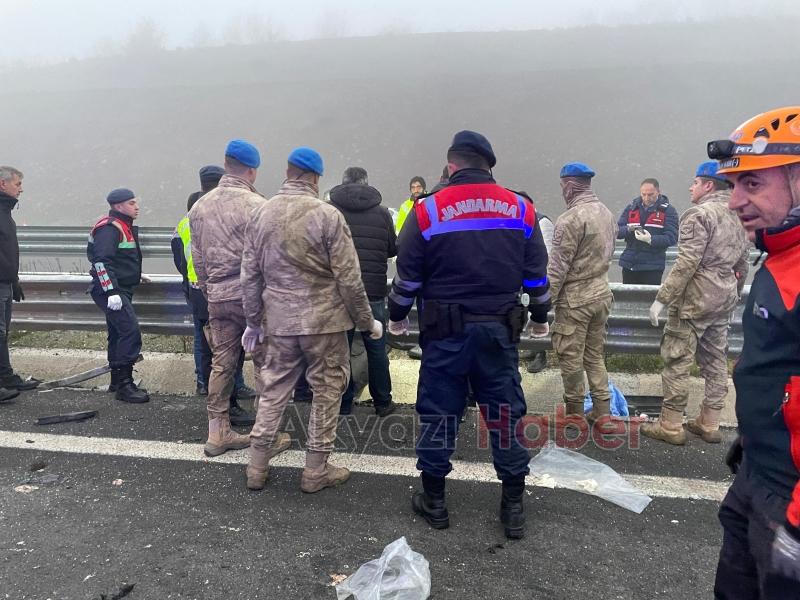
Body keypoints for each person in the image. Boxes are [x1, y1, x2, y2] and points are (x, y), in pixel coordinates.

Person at [388, 131, 551, 539]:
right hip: (499, 332)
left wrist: (395, 317)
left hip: (445, 335)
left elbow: (407, 276)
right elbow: (536, 276)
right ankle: (513, 507)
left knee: (439, 413)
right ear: (489, 166)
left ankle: (436, 502)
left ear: (451, 165)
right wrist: (541, 315)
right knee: (504, 415)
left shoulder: (426, 210)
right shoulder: (521, 209)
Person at [240, 147, 381, 493]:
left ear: (289, 172)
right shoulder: (327, 216)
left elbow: (249, 276)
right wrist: (367, 322)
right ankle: (315, 471)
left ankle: (257, 467)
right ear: (315, 177)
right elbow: (349, 278)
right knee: (326, 393)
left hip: (279, 322)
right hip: (325, 324)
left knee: (273, 391)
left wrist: (254, 321)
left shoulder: (262, 213)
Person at [705, 107, 800, 597]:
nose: (735, 201)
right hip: (760, 472)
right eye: (733, 185)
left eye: (753, 185)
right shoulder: (779, 255)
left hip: (789, 497)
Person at [189, 139, 289, 458]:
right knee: (264, 363)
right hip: (251, 300)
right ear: (251, 171)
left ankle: (217, 433)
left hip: (216, 298)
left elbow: (199, 260)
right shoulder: (258, 206)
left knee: (222, 362)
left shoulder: (199, 207)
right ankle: (265, 436)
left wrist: (209, 291)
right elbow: (271, 259)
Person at [641, 161, 749, 446]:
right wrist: (734, 292)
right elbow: (742, 263)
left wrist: (662, 299)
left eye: (695, 182)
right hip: (724, 297)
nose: (691, 187)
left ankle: (671, 424)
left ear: (709, 185)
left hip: (695, 299)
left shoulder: (698, 214)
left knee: (677, 358)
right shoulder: (739, 214)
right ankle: (709, 422)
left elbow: (687, 262)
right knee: (715, 358)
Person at [171, 164, 255, 426]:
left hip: (206, 291)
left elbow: (186, 259)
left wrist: (204, 286)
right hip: (226, 292)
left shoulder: (194, 213)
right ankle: (240, 412)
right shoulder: (235, 208)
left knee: (216, 351)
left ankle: (218, 415)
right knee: (228, 352)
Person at [547, 163, 617, 430]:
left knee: (570, 356)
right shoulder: (606, 214)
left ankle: (574, 414)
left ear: (569, 186)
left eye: (563, 186)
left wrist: (544, 306)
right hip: (601, 295)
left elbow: (557, 269)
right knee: (594, 355)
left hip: (575, 301)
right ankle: (603, 413)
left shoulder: (569, 220)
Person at [328, 167, 397, 417]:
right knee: (377, 348)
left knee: (341, 350)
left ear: (343, 183)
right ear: (366, 184)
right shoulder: (382, 213)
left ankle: (344, 404)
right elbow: (391, 248)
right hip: (374, 290)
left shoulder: (331, 212)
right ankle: (382, 402)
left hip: (339, 292)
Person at [87, 188, 149, 403]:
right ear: (118, 206)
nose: (137, 206)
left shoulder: (122, 226)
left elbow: (120, 259)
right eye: (132, 203)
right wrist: (111, 290)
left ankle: (117, 381)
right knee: (130, 332)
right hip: (112, 290)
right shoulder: (110, 228)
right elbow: (101, 262)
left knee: (117, 333)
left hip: (120, 286)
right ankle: (125, 385)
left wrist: (135, 274)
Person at [0, 166, 38, 400]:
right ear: (2, 184)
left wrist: (13, 280)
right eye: (17, 183)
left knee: (2, 333)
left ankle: (6, 376)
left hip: (4, 282)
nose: (21, 189)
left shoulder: (5, 212)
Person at [617, 178, 679, 284]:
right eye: (643, 194)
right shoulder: (632, 208)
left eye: (650, 194)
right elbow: (616, 231)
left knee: (647, 299)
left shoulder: (668, 211)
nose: (646, 198)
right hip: (629, 264)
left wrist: (651, 239)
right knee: (627, 299)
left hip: (652, 267)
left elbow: (672, 238)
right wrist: (628, 229)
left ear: (659, 192)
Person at [526, 210, 554, 373]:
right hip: (529, 274)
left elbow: (549, 253)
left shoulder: (543, 222)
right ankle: (533, 347)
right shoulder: (524, 220)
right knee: (528, 314)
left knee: (537, 314)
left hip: (540, 277)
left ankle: (541, 354)